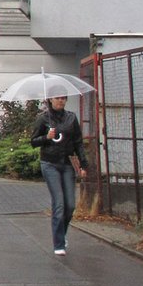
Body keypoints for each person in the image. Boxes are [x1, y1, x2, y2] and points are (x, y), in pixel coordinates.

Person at [30, 96, 89, 256]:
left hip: (67, 163)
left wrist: (83, 164)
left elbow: (78, 142)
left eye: (64, 98)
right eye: (58, 98)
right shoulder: (43, 118)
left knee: (70, 204)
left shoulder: (71, 118)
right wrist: (46, 137)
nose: (61, 101)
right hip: (50, 164)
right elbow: (33, 141)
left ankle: (61, 233)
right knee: (59, 203)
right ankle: (58, 244)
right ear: (50, 100)